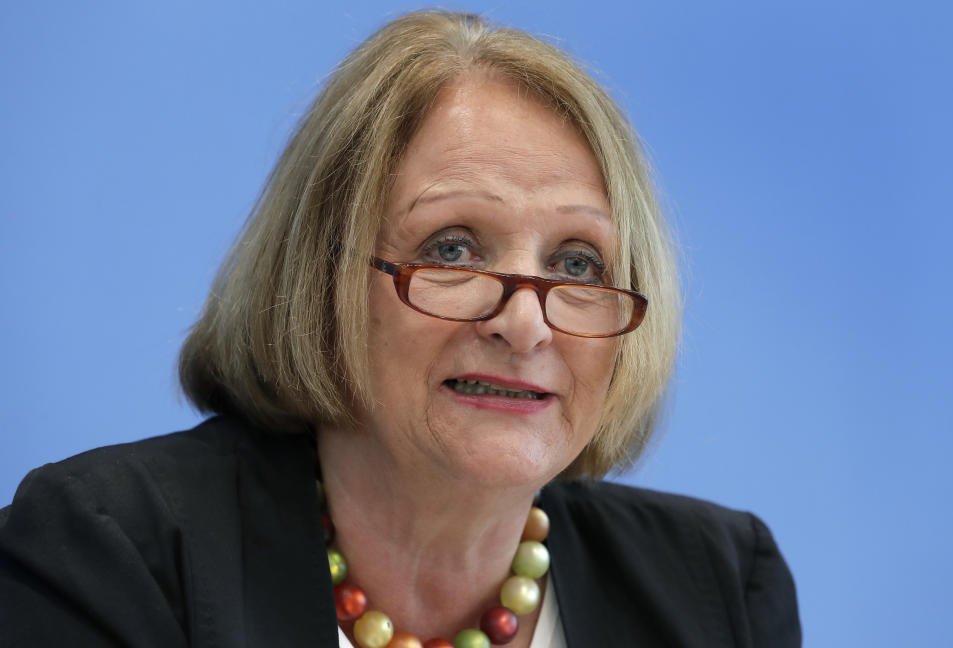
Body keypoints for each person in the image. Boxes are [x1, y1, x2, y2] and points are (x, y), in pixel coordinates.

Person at [0, 10, 800, 648]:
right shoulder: (110, 553)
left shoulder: (719, 585)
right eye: (452, 248)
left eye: (580, 265)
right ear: (323, 282)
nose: (526, 325)